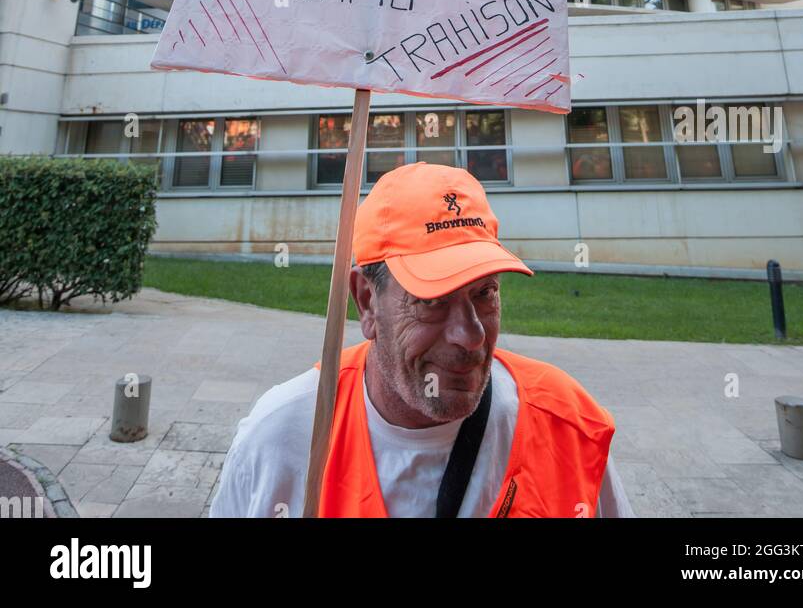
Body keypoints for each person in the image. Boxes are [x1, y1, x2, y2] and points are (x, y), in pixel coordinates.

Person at [209, 160, 633, 518]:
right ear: (367, 302)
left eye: (484, 293)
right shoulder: (282, 438)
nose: (470, 336)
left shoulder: (569, 424)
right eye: (432, 301)